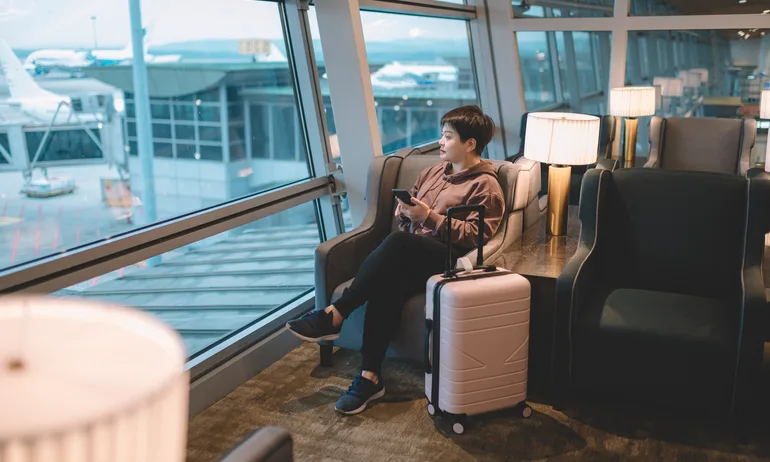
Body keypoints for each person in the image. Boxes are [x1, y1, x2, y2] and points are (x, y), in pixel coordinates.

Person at [286, 105, 505, 415]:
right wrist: (408, 214)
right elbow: (403, 215)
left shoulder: (486, 186)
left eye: (448, 137)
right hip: (411, 254)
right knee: (387, 282)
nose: (441, 142)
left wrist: (429, 217)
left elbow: (476, 236)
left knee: (399, 243)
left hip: (450, 259)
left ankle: (336, 313)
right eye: (442, 136)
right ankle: (369, 376)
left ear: (470, 144)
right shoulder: (432, 173)